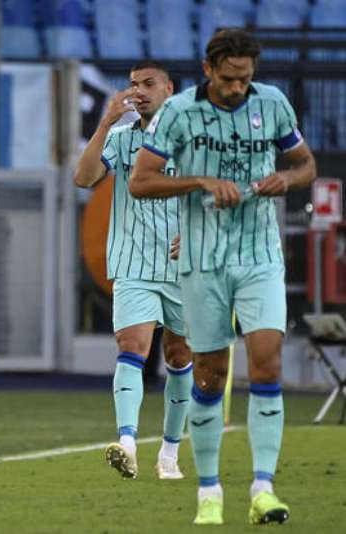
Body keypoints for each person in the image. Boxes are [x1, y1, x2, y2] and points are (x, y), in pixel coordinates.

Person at [130, 29, 316, 526]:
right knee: (209, 373)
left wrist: (287, 179)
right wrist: (199, 180)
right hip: (201, 258)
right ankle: (209, 492)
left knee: (267, 362)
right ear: (209, 69)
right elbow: (140, 181)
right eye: (230, 79)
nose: (238, 87)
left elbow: (305, 165)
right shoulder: (178, 112)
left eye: (246, 79)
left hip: (259, 254)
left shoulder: (273, 104)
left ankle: (262, 489)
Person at [73, 61, 193, 481]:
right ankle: (126, 442)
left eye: (148, 84)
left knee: (179, 356)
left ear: (169, 88)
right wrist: (105, 122)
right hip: (133, 264)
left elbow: (215, 191)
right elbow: (83, 178)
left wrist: (198, 233)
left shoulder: (190, 139)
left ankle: (169, 453)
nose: (139, 91)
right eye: (132, 85)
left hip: (185, 267)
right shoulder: (121, 139)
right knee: (132, 346)